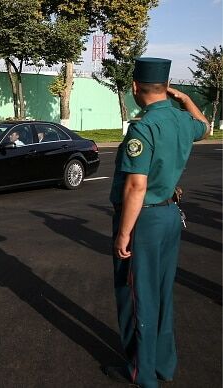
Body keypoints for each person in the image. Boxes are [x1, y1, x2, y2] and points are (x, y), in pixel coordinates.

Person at [103, 57, 209, 388]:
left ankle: (141, 372)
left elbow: (136, 186)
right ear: (165, 87)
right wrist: (185, 99)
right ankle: (164, 364)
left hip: (144, 221)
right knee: (162, 293)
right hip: (169, 217)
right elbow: (204, 126)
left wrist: (124, 233)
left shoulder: (144, 127)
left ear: (135, 88)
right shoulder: (180, 120)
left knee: (137, 295)